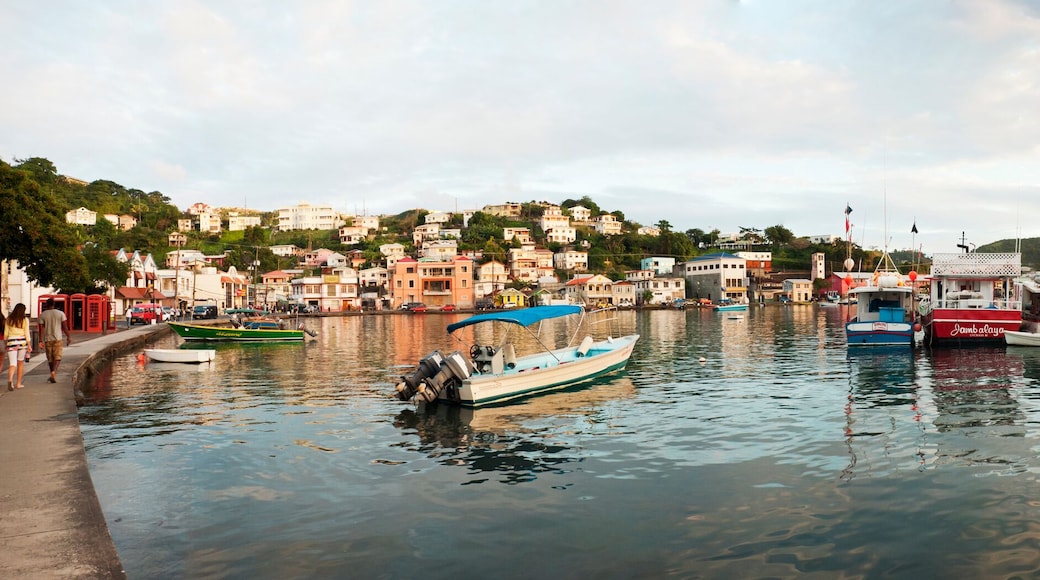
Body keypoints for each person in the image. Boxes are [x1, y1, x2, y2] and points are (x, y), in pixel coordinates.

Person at [38, 298, 72, 384]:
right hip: (58, 338)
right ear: (54, 304)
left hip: (47, 339)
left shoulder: (42, 315)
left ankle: (51, 373)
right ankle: (54, 372)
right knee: (58, 357)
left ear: (46, 304)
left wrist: (40, 340)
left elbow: (41, 329)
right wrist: (68, 337)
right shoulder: (60, 313)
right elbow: (65, 327)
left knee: (50, 358)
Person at [4, 303, 32, 390]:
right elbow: (27, 333)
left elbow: (6, 333)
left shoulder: (9, 319)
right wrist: (29, 345)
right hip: (22, 342)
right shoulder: (25, 320)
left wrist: (6, 343)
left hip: (11, 342)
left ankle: (10, 380)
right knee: (20, 362)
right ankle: (18, 383)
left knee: (12, 363)